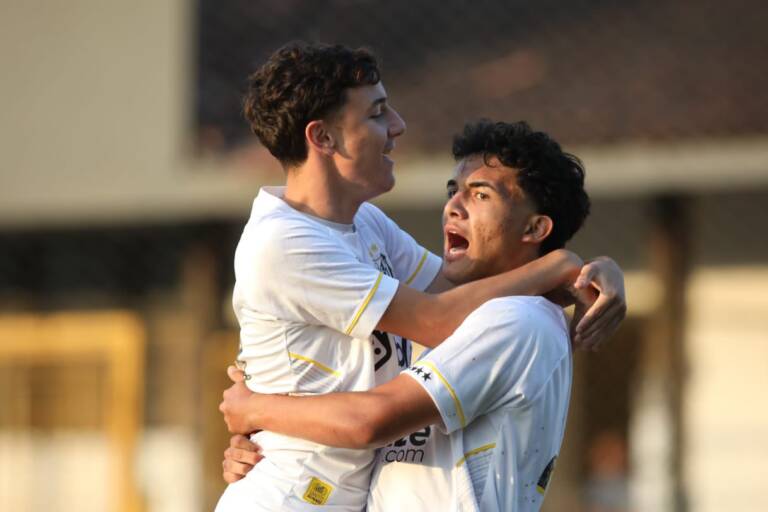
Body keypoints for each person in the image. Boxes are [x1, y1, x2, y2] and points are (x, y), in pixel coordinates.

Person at [216, 41, 625, 512]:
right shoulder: (285, 242)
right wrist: (559, 265)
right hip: (289, 498)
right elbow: (436, 319)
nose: (398, 125)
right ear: (323, 137)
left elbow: (452, 300)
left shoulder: (367, 224)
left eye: (480, 194)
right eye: (377, 114)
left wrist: (592, 273)